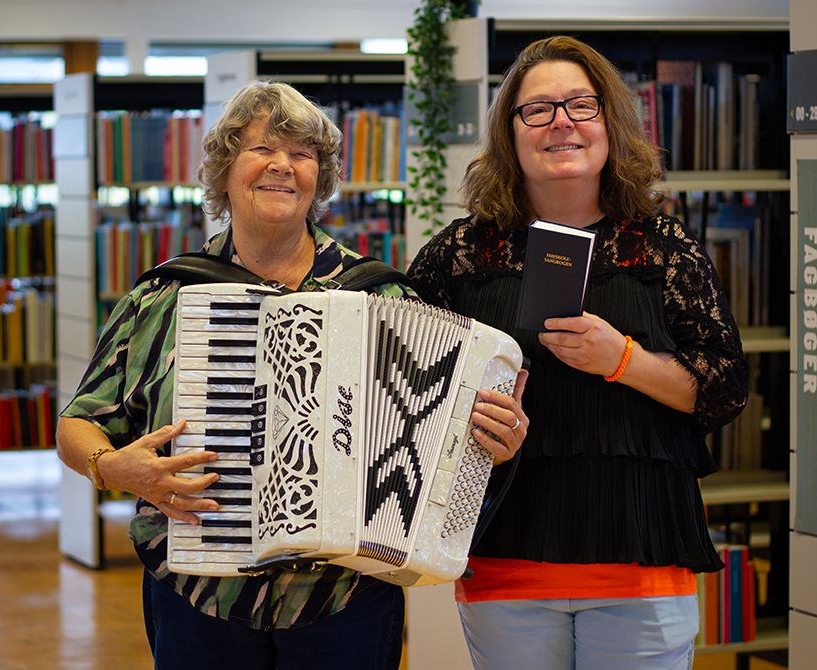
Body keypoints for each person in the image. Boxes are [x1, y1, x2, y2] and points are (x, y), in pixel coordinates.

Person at [55, 80, 527, 670]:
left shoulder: (380, 295)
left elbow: (442, 446)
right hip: (199, 595)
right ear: (224, 171)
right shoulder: (164, 296)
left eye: (302, 155)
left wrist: (491, 442)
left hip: (343, 599)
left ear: (319, 180)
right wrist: (112, 467)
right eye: (260, 150)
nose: (282, 166)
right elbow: (77, 423)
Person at [406, 36, 748, 670]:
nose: (561, 121)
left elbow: (724, 388)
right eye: (537, 109)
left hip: (640, 562)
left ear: (609, 124)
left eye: (580, 105)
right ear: (510, 134)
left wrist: (623, 359)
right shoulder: (460, 256)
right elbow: (402, 398)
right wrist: (469, 422)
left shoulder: (662, 248)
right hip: (505, 559)